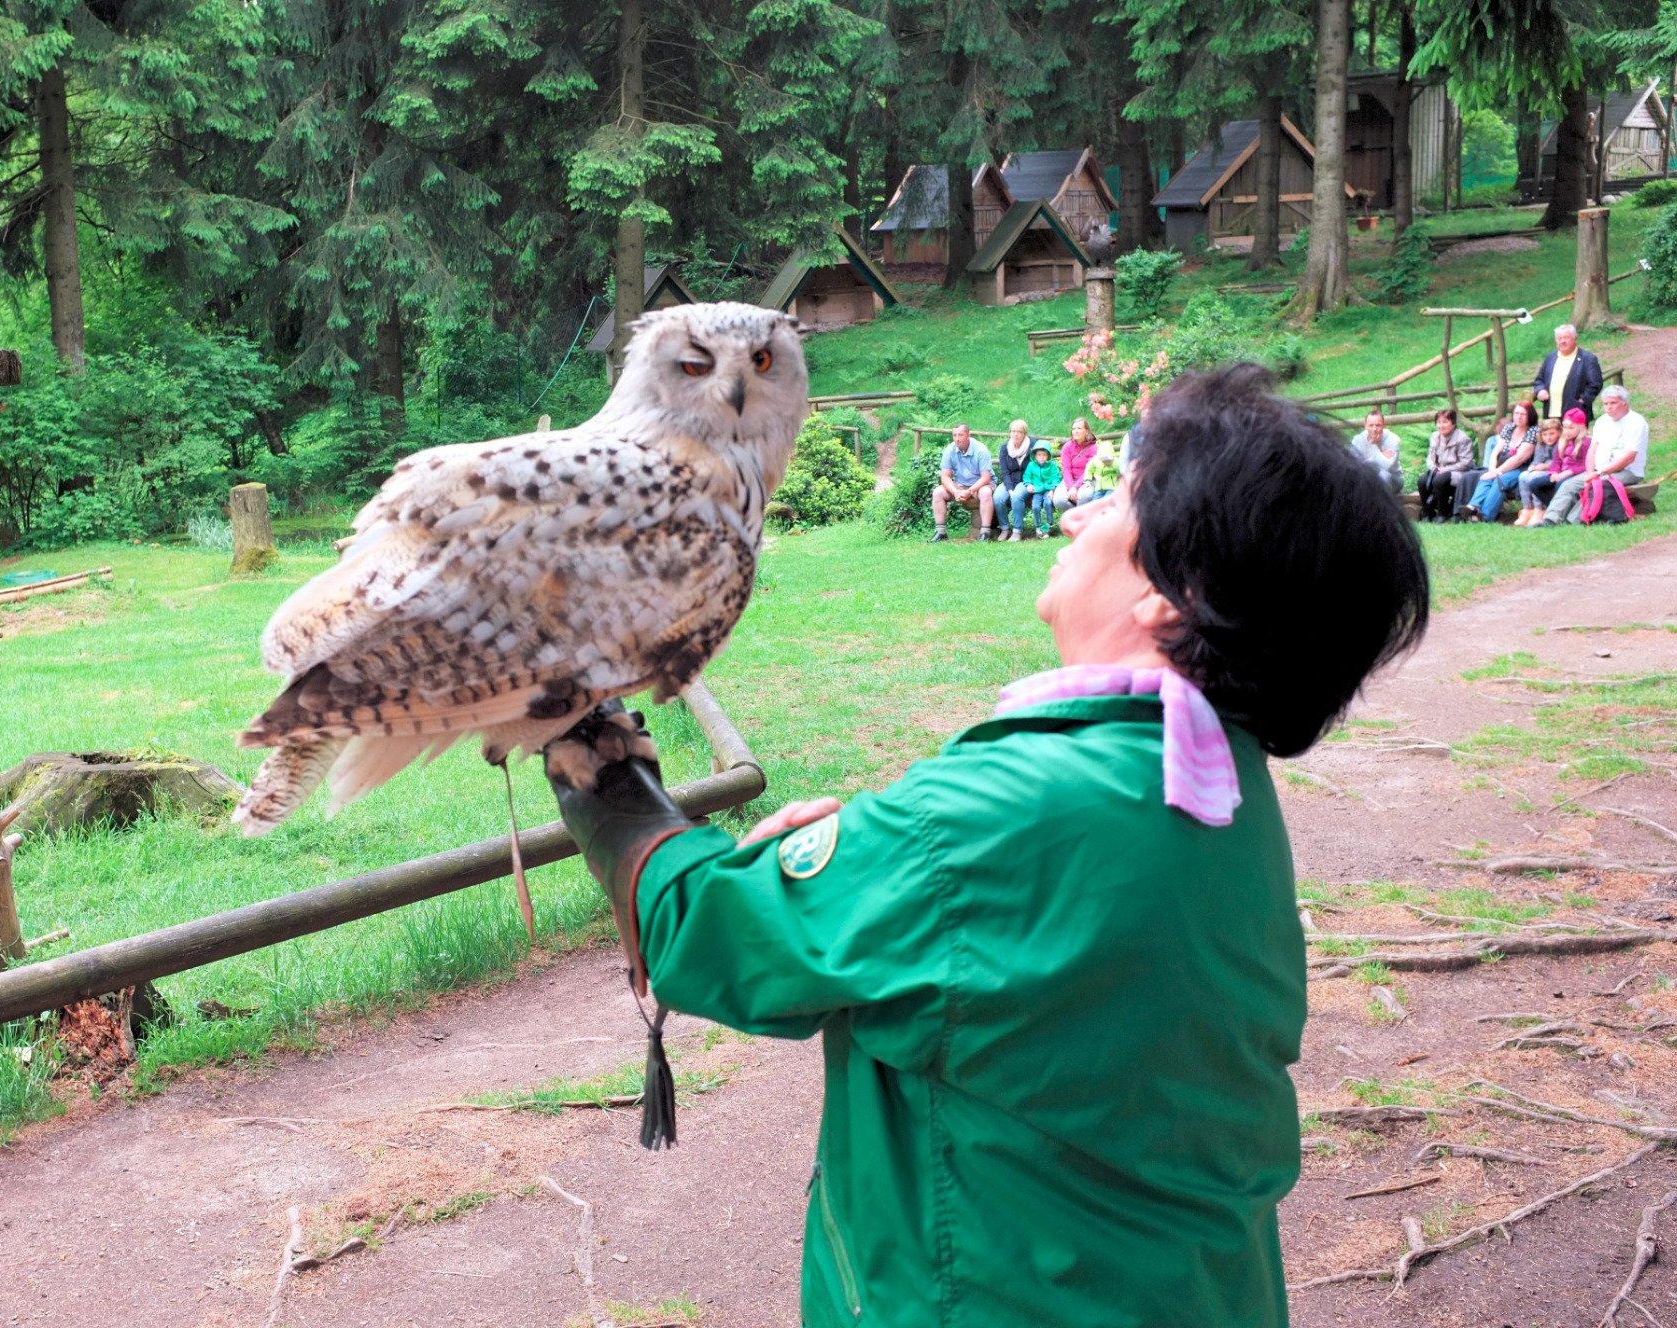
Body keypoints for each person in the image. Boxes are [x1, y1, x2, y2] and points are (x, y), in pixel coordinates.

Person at [539, 362, 1430, 1328]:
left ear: (1176, 595)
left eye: (1117, 498)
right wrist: (884, 862)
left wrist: (602, 774)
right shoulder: (1213, 789)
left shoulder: (1014, 812)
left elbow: (703, 932)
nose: (1073, 515)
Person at [1579, 384, 1650, 524]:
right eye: (1605, 404)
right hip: (1599, 471)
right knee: (1569, 485)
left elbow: (1629, 458)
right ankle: (1551, 519)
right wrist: (1589, 472)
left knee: (1598, 484)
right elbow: (1592, 450)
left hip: (1627, 471)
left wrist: (1598, 473)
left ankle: (1579, 519)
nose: (1608, 407)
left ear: (1624, 403)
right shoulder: (1601, 421)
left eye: (1613, 403)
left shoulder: (1636, 422)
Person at [1459, 401, 1538, 523]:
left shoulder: (1533, 431)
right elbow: (1496, 451)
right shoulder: (1509, 428)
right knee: (1485, 477)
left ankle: (1485, 516)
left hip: (1521, 468)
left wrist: (1497, 472)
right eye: (1516, 413)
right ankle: (1472, 507)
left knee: (1500, 480)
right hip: (1503, 465)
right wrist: (1492, 469)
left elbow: (1519, 458)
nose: (1519, 417)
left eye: (1523, 414)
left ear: (1530, 416)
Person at [931, 424, 994, 542]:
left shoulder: (981, 449)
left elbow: (986, 478)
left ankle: (985, 533)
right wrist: (955, 492)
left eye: (960, 435)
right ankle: (940, 532)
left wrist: (970, 491)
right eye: (954, 435)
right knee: (938, 492)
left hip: (980, 484)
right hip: (960, 484)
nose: (957, 439)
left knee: (985, 493)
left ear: (968, 435)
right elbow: (945, 476)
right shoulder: (949, 450)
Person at [1531, 322, 1603, 423]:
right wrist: (1540, 390)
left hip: (1575, 415)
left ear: (1574, 338)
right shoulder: (1550, 358)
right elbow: (1539, 380)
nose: (1562, 341)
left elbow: (1595, 384)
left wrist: (1581, 401)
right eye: (1559, 338)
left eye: (1566, 338)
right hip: (1551, 414)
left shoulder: (1587, 359)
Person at [1537, 408, 1595, 526]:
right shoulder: (1563, 441)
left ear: (1580, 427)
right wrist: (1554, 472)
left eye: (1571, 427)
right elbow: (1556, 461)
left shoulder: (1586, 442)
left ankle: (1557, 515)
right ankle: (1555, 509)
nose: (1567, 431)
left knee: (1561, 484)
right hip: (1561, 473)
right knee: (1535, 484)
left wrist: (1568, 472)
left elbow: (1585, 465)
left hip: (1575, 474)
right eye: (1565, 427)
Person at [1414, 408, 1474, 521]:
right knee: (1422, 480)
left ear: (1453, 423)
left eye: (1445, 422)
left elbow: (1466, 462)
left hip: (1459, 472)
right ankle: (1428, 512)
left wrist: (1446, 469)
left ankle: (1442, 513)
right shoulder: (1435, 436)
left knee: (1440, 480)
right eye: (1439, 422)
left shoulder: (1463, 438)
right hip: (1438, 470)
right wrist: (1433, 467)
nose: (1441, 425)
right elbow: (1430, 457)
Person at [991, 420, 1039, 536]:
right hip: (1010, 480)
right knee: (998, 498)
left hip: (1027, 480)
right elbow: (1004, 471)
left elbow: (1038, 467)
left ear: (1025, 433)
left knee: (1017, 497)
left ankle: (1017, 530)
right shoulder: (1004, 448)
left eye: (1019, 432)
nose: (1015, 434)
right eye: (1013, 431)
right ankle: (1004, 528)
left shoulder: (1033, 446)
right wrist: (1009, 489)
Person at [1513, 418, 1564, 525]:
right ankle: (1527, 508)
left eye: (1551, 434)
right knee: (1523, 475)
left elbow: (1559, 461)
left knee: (1534, 477)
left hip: (1553, 471)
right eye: (1545, 435)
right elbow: (1537, 460)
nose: (1548, 437)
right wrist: (1532, 466)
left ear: (1559, 432)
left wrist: (1544, 466)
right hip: (1540, 469)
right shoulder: (1541, 444)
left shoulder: (1561, 443)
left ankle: (1538, 509)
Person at [1008, 444, 1061, 540]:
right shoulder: (1031, 465)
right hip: (1037, 491)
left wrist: (1053, 490)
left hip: (1048, 490)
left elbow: (1056, 477)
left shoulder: (1052, 465)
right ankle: (1038, 527)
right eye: (1039, 455)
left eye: (1044, 455)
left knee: (1048, 503)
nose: (1042, 457)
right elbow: (1026, 477)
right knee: (1035, 506)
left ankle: (1047, 527)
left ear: (1048, 456)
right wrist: (1028, 485)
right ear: (1035, 456)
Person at [1347, 408, 1404, 494]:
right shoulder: (1358, 440)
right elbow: (1354, 465)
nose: (1374, 429)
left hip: (1393, 478)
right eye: (1371, 425)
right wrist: (1380, 455)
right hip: (1366, 477)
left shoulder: (1393, 439)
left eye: (1378, 425)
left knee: (1382, 475)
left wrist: (1372, 447)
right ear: (1365, 425)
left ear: (1383, 425)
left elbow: (1386, 466)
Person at [1054, 417, 1100, 510]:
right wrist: (1071, 487)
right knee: (1058, 500)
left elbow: (1089, 471)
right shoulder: (1067, 446)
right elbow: (1066, 468)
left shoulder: (1093, 448)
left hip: (1087, 479)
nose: (1075, 431)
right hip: (1070, 480)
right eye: (1073, 429)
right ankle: (1075, 516)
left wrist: (1075, 487)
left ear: (1087, 431)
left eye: (1079, 428)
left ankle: (1080, 520)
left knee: (1084, 497)